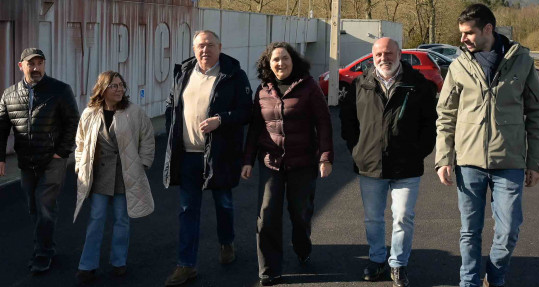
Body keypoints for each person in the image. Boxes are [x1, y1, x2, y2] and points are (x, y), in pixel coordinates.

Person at [435, 3, 539, 287]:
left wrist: (535, 162)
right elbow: (446, 114)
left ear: (488, 29)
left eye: (469, 33)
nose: (463, 39)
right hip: (468, 162)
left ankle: (495, 278)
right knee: (469, 231)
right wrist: (444, 158)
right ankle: (469, 282)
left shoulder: (521, 61)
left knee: (509, 230)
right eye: (461, 33)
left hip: (508, 162)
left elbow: (537, 113)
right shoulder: (459, 64)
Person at [340, 37, 438, 287]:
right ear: (373, 56)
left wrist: (419, 152)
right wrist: (357, 150)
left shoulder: (418, 85)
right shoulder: (361, 84)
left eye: (389, 53)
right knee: (373, 218)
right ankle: (376, 259)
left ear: (399, 54)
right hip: (369, 165)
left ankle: (398, 264)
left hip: (407, 166)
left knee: (403, 216)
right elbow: (348, 121)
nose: (384, 58)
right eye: (379, 54)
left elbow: (430, 124)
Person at [162, 30, 253, 286]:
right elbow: (172, 105)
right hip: (188, 156)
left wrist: (221, 120)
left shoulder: (234, 74)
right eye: (200, 46)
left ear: (219, 47)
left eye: (210, 45)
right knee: (187, 210)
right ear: (194, 48)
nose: (205, 50)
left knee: (223, 204)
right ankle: (186, 265)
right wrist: (173, 129)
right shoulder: (184, 72)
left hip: (220, 156)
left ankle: (226, 243)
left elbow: (247, 111)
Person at [241, 42, 334, 286]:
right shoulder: (262, 91)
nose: (280, 63)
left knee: (300, 214)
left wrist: (325, 157)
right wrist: (248, 160)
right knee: (267, 214)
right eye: (275, 60)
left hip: (302, 162)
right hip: (271, 162)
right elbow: (255, 128)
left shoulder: (309, 87)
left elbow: (323, 123)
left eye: (285, 59)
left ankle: (302, 245)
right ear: (268, 64)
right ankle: (269, 269)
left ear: (293, 61)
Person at [0, 47, 80, 274]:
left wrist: (62, 152)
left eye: (40, 63)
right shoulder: (9, 95)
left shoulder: (60, 90)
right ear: (21, 66)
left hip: (53, 161)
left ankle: (42, 255)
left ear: (44, 65)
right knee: (34, 208)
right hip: (26, 163)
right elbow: (0, 128)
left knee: (44, 205)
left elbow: (73, 122)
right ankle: (47, 246)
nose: (36, 68)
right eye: (31, 64)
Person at [72, 71, 155, 284]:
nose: (119, 89)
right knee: (96, 219)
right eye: (114, 86)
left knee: (122, 219)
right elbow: (80, 142)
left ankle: (119, 262)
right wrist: (80, 167)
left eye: (121, 85)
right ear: (103, 89)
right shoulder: (90, 113)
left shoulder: (134, 112)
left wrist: (144, 163)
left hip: (124, 174)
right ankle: (87, 266)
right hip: (99, 175)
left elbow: (147, 137)